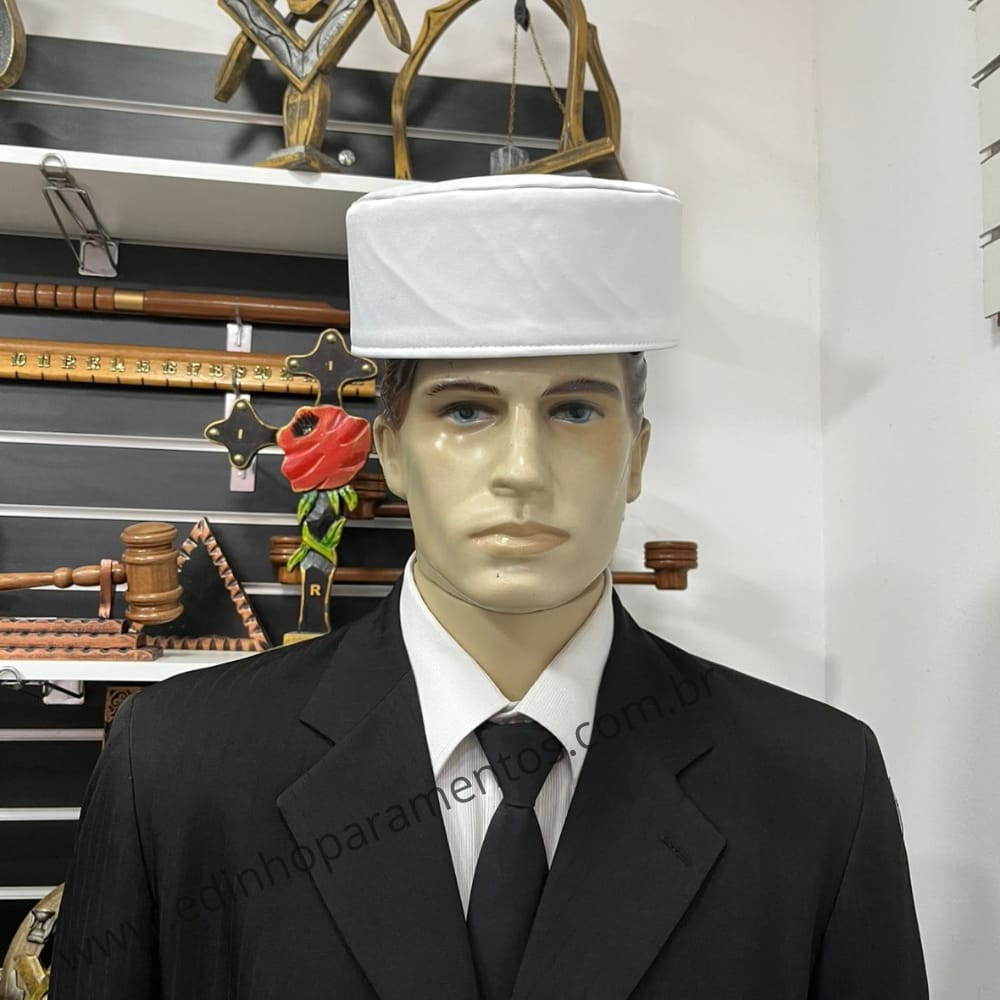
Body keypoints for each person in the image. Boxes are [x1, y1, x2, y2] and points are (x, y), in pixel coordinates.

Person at [48, 174, 928, 999]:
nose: (522, 469)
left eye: (575, 410)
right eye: (465, 410)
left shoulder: (816, 790)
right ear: (391, 452)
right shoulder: (177, 770)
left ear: (636, 458)